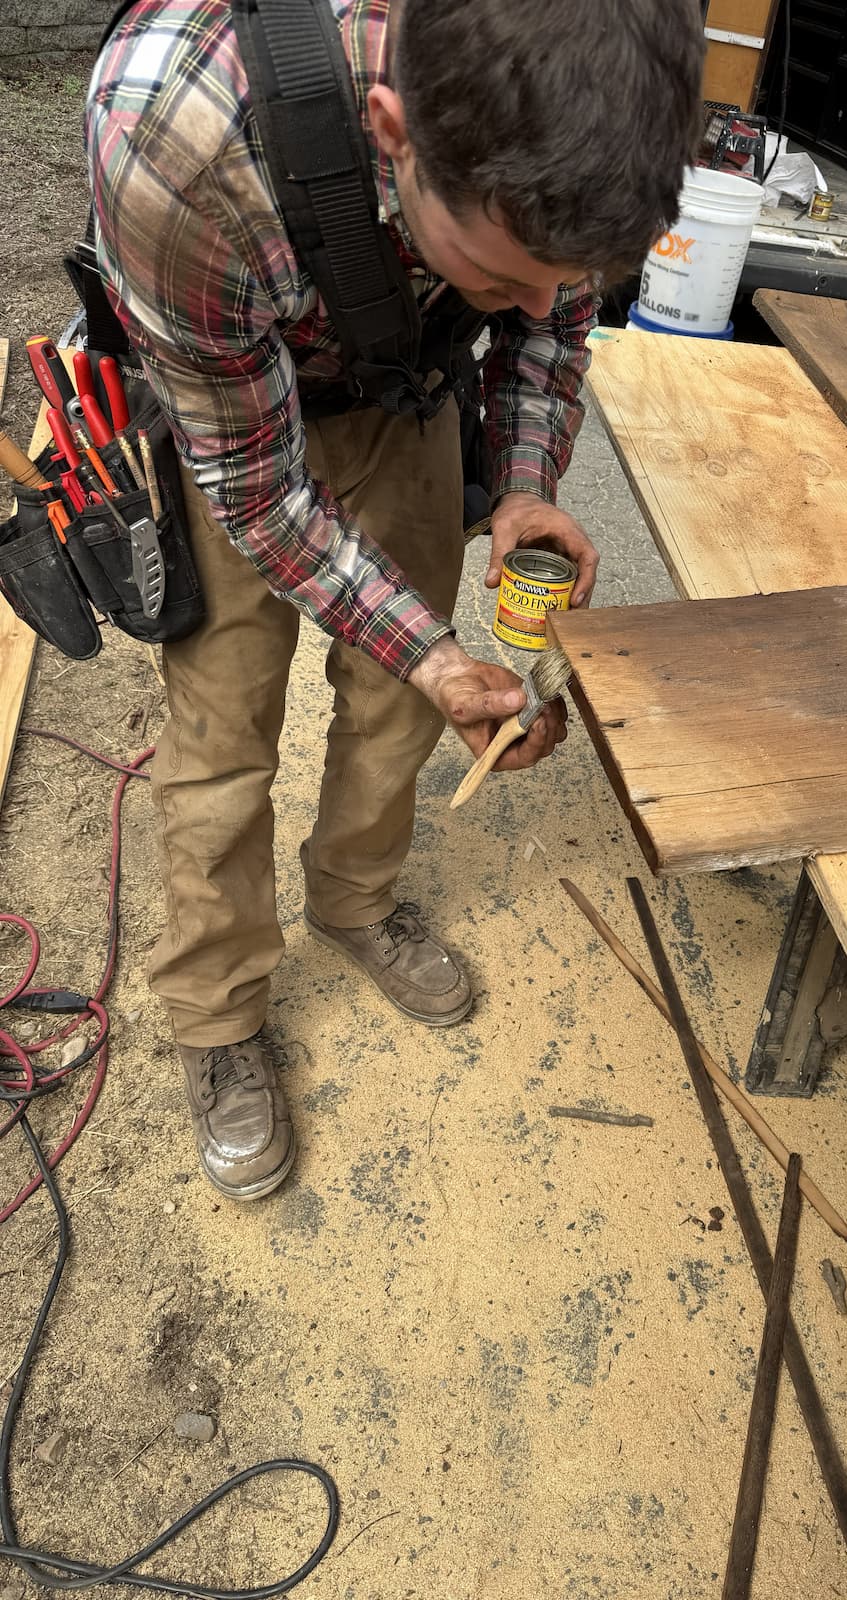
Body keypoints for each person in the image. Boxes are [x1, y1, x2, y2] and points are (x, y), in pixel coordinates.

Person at [84, 0, 703, 1201]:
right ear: (393, 130)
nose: (542, 301)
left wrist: (523, 485)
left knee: (403, 699)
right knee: (223, 723)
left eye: (567, 276)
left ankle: (354, 899)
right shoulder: (173, 142)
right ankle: (217, 1012)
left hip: (402, 375)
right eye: (506, 274)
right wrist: (431, 647)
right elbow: (262, 496)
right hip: (235, 402)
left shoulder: (591, 101)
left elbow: (549, 328)